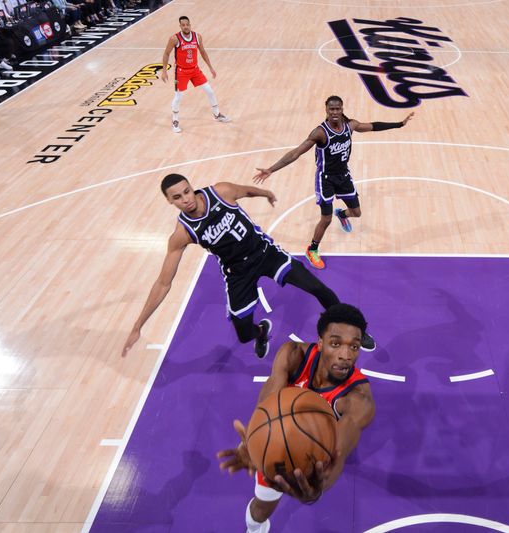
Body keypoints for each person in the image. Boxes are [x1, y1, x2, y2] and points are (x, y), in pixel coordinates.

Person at [121, 174, 375, 359]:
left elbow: (246, 191)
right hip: (237, 273)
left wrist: (266, 194)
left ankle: (358, 331)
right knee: (244, 334)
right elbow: (164, 283)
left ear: (191, 186)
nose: (185, 199)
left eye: (186, 191)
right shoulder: (182, 234)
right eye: (177, 197)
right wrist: (137, 326)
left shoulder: (220, 191)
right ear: (169, 201)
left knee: (318, 288)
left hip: (265, 254)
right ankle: (261, 330)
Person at [217, 303, 376, 533]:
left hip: (314, 454)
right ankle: (255, 529)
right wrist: (251, 443)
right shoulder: (293, 354)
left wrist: (317, 489)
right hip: (276, 446)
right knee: (261, 510)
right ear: (320, 343)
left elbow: (338, 454)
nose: (346, 355)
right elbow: (268, 401)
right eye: (335, 343)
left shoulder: (358, 398)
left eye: (354, 346)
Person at [253, 95, 414, 269]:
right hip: (326, 179)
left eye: (338, 109)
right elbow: (295, 153)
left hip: (343, 176)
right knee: (326, 219)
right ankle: (312, 249)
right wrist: (271, 169)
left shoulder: (351, 125)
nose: (335, 112)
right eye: (332, 109)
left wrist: (399, 124)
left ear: (342, 109)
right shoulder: (320, 132)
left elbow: (373, 126)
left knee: (357, 213)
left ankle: (342, 215)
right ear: (326, 110)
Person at [160, 15, 230, 133]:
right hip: (181, 72)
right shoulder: (174, 39)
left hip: (195, 70)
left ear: (190, 24)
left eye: (187, 24)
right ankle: (175, 120)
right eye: (183, 25)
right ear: (180, 26)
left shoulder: (197, 36)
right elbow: (166, 53)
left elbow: (202, 52)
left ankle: (217, 114)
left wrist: (211, 68)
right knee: (179, 96)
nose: (186, 27)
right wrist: (164, 71)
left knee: (209, 91)